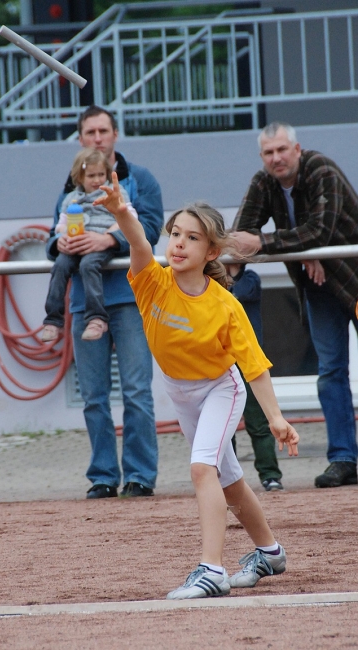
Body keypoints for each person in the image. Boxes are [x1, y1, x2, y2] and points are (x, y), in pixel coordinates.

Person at [94, 174, 299, 599]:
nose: (179, 243)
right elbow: (137, 243)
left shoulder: (226, 305)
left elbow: (254, 366)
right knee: (227, 480)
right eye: (175, 234)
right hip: (180, 390)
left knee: (202, 468)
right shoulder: (153, 281)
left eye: (192, 237)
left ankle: (212, 571)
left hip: (220, 389)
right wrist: (121, 211)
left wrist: (277, 417)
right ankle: (270, 552)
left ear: (212, 251)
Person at [232, 121, 358, 489]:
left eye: (282, 150)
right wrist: (300, 251)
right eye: (269, 153)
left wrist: (279, 244)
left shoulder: (322, 169)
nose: (276, 158)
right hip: (319, 286)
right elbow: (242, 234)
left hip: (354, 277)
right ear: (262, 157)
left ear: (297, 149)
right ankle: (344, 459)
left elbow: (319, 230)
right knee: (331, 371)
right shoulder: (264, 182)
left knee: (333, 370)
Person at [46, 106, 163, 499]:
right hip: (83, 301)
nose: (97, 138)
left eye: (103, 130)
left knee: (136, 390)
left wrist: (109, 240)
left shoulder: (140, 178)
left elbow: (151, 228)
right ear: (81, 138)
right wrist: (58, 243)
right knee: (94, 396)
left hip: (130, 297)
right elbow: (53, 233)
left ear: (115, 134)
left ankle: (140, 476)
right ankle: (102, 476)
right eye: (90, 132)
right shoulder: (71, 184)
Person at [42, 148, 137, 343]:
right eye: (91, 175)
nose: (97, 180)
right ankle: (53, 319)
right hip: (76, 242)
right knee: (60, 266)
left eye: (101, 175)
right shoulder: (71, 198)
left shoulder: (115, 193)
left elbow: (130, 217)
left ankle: (96, 318)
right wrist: (62, 238)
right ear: (79, 177)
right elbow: (60, 225)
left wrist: (110, 234)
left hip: (102, 243)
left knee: (88, 265)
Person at [227, 263, 283, 491]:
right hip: (223, 364)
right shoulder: (209, 280)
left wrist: (230, 271)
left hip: (248, 364)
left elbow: (236, 295)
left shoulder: (250, 279)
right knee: (225, 428)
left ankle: (270, 475)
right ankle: (225, 477)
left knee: (259, 423)